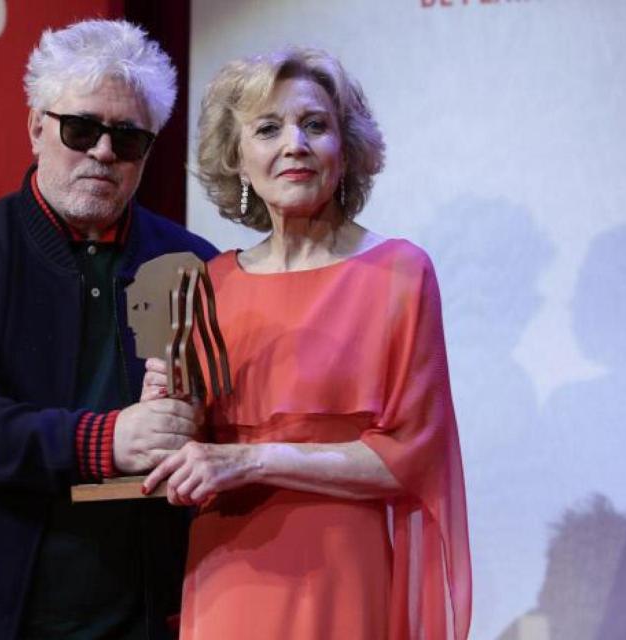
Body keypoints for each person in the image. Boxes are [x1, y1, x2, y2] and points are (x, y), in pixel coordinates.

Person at [0, 19, 217, 640]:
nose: (103, 153)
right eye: (81, 129)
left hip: (139, 608)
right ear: (37, 126)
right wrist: (106, 441)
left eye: (128, 138)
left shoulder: (195, 263)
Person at [141, 48, 472, 639]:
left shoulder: (399, 273)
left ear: (345, 151)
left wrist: (253, 459)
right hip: (226, 572)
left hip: (341, 573)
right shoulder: (208, 283)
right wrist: (164, 409)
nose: (294, 144)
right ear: (238, 159)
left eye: (314, 125)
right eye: (268, 129)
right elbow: (184, 450)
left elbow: (413, 457)